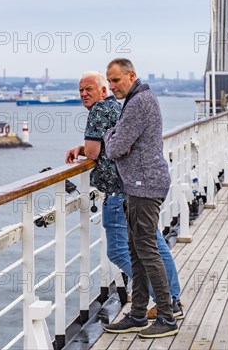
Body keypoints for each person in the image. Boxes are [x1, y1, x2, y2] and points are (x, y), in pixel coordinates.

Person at [64, 71, 183, 322]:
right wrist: (83, 147)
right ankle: (172, 298)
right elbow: (109, 144)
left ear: (103, 90)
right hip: (137, 186)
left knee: (121, 250)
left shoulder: (98, 111)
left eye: (89, 89)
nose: (84, 94)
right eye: (80, 90)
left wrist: (86, 149)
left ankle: (164, 302)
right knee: (153, 244)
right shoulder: (117, 107)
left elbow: (95, 152)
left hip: (120, 191)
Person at [102, 59, 178, 338]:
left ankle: (167, 317)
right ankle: (137, 314)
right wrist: (118, 137)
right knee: (136, 250)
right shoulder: (140, 99)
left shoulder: (138, 103)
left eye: (116, 80)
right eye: (109, 81)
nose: (112, 87)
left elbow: (115, 148)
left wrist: (110, 134)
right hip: (138, 185)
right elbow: (123, 143)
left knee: (146, 250)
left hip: (144, 186)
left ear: (131, 75)